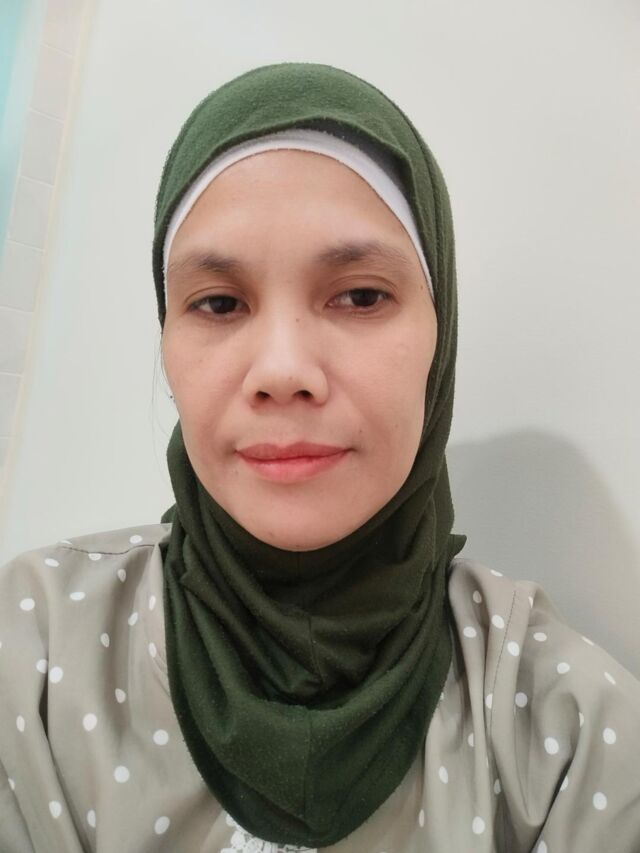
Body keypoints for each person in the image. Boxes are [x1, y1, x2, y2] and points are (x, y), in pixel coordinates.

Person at [0, 61, 638, 853]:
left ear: (440, 336)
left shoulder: (568, 731)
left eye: (361, 295)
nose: (282, 370)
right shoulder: (33, 657)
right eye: (219, 302)